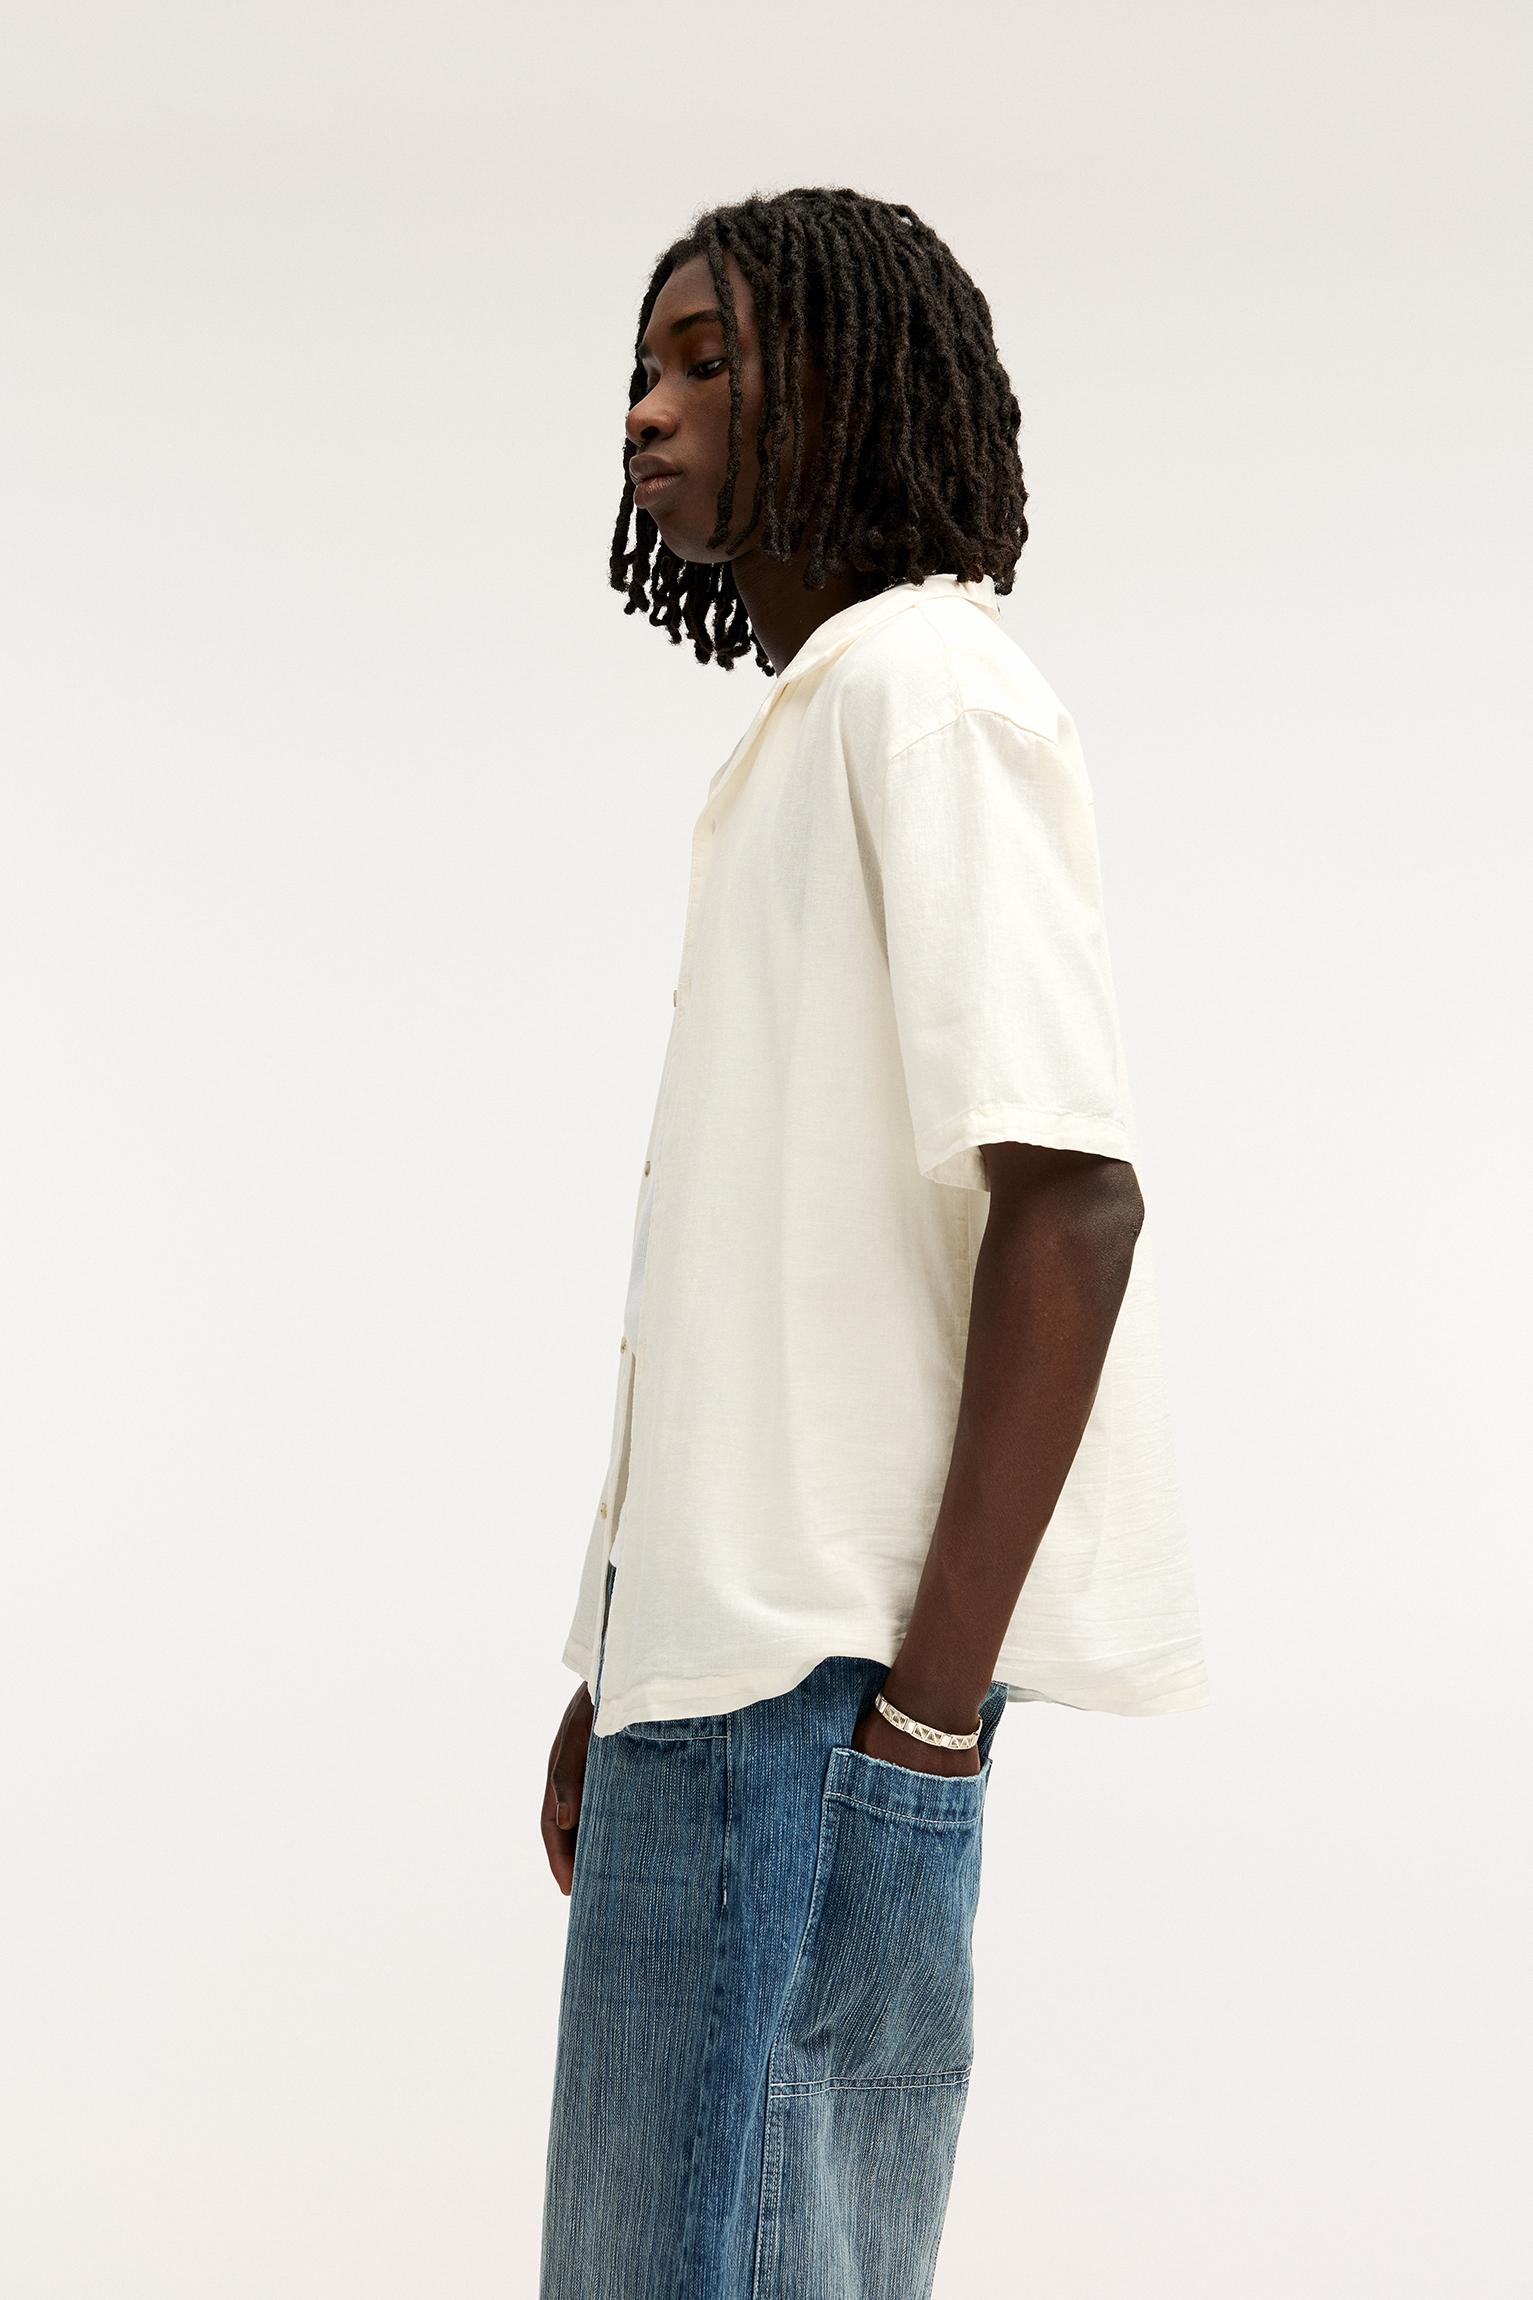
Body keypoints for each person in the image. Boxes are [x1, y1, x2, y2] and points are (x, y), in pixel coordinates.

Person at [538, 186, 1210, 2299]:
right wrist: (619, 1652)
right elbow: (756, 1276)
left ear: (837, 386)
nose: (647, 413)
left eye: (704, 362)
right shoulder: (811, 721)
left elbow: (1072, 1199)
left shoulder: (927, 691)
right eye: (639, 369)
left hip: (822, 1692)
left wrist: (917, 1723)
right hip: (721, 1673)